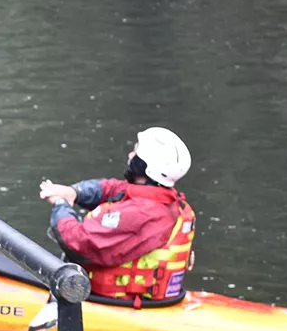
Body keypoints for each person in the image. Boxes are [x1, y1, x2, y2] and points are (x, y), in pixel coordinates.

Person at [38, 127, 195, 312]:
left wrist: (60, 205)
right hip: (156, 299)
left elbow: (77, 241)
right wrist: (74, 192)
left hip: (120, 301)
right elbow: (111, 189)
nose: (130, 154)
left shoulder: (142, 214)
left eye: (135, 151)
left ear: (143, 165)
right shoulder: (162, 199)